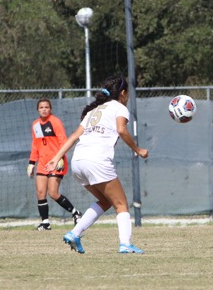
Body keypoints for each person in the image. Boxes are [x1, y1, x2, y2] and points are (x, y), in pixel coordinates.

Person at [45, 75, 149, 254]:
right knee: (121, 205)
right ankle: (125, 243)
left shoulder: (95, 111)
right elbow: (121, 130)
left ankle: (74, 233)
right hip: (97, 160)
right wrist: (137, 149)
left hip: (78, 161)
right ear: (123, 93)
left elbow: (74, 136)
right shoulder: (119, 108)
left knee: (105, 201)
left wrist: (56, 157)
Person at [28, 99, 81, 230]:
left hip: (56, 161)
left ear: (50, 109)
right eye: (41, 107)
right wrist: (31, 163)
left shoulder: (55, 122)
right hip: (42, 163)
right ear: (38, 109)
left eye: (46, 107)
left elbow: (63, 141)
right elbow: (35, 145)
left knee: (53, 193)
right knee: (40, 193)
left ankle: (75, 213)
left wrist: (60, 159)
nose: (44, 109)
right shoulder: (35, 124)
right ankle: (45, 223)